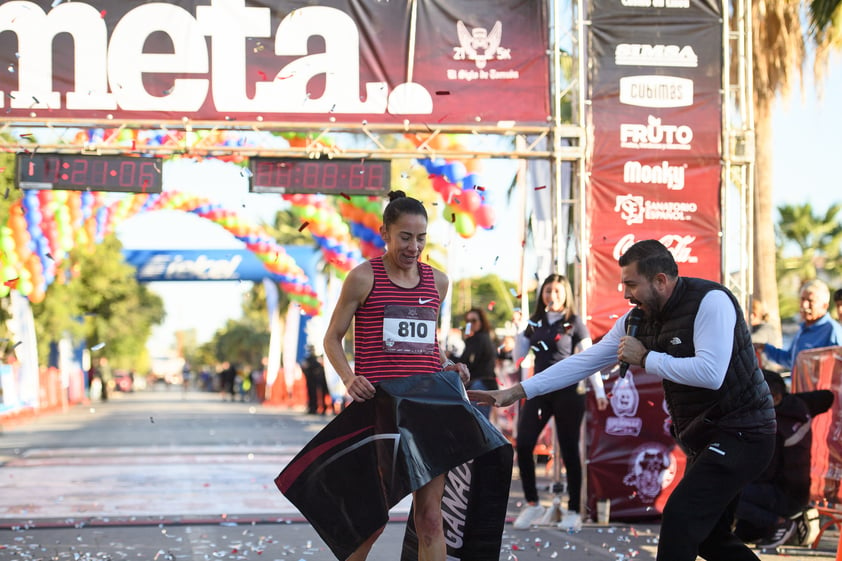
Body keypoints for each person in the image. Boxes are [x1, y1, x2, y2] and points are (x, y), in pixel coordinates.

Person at [469, 239, 777, 561]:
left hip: (744, 431)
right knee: (709, 539)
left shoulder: (711, 301)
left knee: (680, 518)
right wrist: (516, 391)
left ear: (660, 280)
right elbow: (585, 361)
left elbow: (710, 373)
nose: (626, 294)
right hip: (707, 436)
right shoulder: (637, 318)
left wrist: (646, 358)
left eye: (631, 284)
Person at [322, 190, 469, 561]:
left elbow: (427, 343)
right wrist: (348, 377)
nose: (414, 246)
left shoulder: (438, 282)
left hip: (428, 411)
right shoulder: (361, 278)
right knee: (369, 521)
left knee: (431, 519)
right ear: (385, 233)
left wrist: (448, 364)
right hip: (381, 410)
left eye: (421, 238)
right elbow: (332, 338)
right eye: (405, 236)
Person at [509, 274, 608, 532]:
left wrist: (599, 390)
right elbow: (518, 358)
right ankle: (532, 503)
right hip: (540, 389)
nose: (551, 295)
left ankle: (574, 509)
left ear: (565, 294)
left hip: (568, 390)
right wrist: (519, 329)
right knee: (525, 442)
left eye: (556, 291)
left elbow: (590, 358)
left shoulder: (574, 322)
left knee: (569, 449)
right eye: (547, 291)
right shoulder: (535, 322)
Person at [734, 370, 812, 547]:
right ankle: (767, 526)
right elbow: (824, 397)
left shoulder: (776, 425)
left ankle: (779, 523)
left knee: (727, 492)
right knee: (742, 532)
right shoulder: (795, 409)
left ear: (775, 397)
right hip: (794, 492)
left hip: (785, 495)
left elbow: (765, 470)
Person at [756, 279, 842, 372]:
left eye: (810, 301)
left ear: (824, 306)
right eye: (802, 299)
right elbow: (791, 360)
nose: (804, 305)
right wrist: (764, 348)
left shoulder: (832, 331)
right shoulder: (803, 329)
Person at [456, 307, 499, 418]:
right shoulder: (482, 338)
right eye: (468, 321)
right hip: (482, 384)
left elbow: (467, 362)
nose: (470, 324)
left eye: (474, 321)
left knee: (477, 423)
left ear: (481, 322)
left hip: (480, 385)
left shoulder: (480, 339)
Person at [300, 345, 329, 414]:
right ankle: (313, 408)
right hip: (311, 379)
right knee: (312, 393)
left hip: (319, 379)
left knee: (321, 394)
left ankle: (323, 408)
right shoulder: (308, 358)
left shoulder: (318, 358)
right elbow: (305, 368)